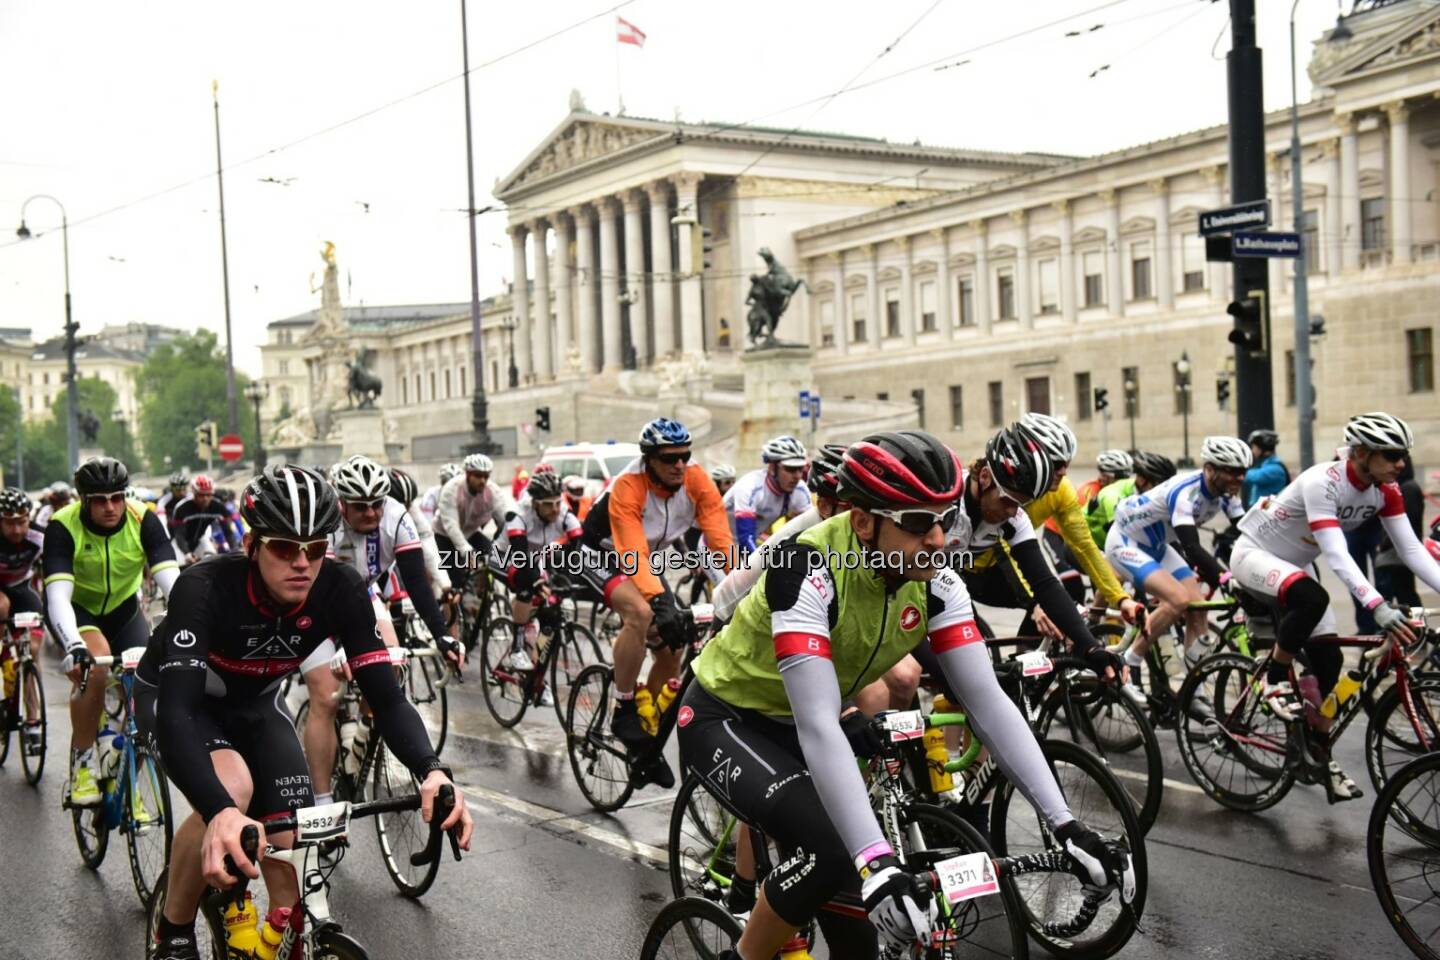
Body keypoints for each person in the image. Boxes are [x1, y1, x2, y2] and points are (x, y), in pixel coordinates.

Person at [681, 431, 1133, 960]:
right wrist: (876, 862)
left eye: (942, 519)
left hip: (805, 716)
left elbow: (986, 701)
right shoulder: (807, 568)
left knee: (864, 943)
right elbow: (818, 725)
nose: (939, 540)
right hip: (727, 718)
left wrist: (1065, 824)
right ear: (864, 521)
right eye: (918, 523)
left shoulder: (934, 578)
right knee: (835, 850)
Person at [134, 465, 472, 960]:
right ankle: (175, 930)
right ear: (252, 546)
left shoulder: (341, 589)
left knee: (290, 843)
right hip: (180, 703)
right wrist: (222, 812)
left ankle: (268, 940)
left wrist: (431, 770)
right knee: (234, 792)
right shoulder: (204, 588)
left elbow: (388, 697)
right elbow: (179, 712)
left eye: (315, 548)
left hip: (255, 706)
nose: (302, 562)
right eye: (283, 547)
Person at [1230, 413, 1440, 802]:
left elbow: (1412, 551)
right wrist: (1376, 605)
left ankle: (1317, 755)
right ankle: (1274, 676)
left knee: (1329, 666)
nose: (1401, 464)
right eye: (1392, 455)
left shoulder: (1385, 489)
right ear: (1361, 453)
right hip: (1255, 554)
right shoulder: (1323, 481)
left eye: (1403, 455)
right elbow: (1337, 554)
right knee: (1313, 598)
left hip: (1296, 564)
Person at [578, 417, 734, 785]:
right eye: (669, 458)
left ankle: (647, 734)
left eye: (685, 456)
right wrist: (661, 600)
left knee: (673, 644)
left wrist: (740, 588)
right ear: (649, 460)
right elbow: (630, 552)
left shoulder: (696, 480)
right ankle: (624, 705)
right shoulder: (628, 487)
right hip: (602, 553)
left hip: (646, 559)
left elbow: (720, 542)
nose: (680, 464)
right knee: (643, 612)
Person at [303, 456, 460, 806]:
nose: (371, 513)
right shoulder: (326, 522)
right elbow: (320, 591)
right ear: (342, 503)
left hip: (364, 595)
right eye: (361, 507)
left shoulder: (395, 515)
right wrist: (343, 644)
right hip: (318, 602)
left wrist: (441, 634)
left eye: (376, 504)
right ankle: (323, 800)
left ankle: (358, 737)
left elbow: (418, 582)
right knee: (327, 695)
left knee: (391, 668)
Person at [42, 457, 179, 807]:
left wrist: (190, 627)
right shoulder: (62, 525)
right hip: (79, 611)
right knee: (97, 669)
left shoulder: (143, 519)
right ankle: (84, 759)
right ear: (83, 500)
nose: (110, 507)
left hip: (124, 610)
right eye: (100, 500)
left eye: (116, 497)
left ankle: (128, 768)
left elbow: (171, 582)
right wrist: (73, 645)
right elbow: (57, 595)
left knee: (145, 681)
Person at [969, 414, 1142, 623]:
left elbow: (1084, 547)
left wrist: (1120, 598)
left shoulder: (1062, 491)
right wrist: (1035, 604)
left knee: (1055, 606)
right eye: (1057, 464)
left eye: (1067, 464)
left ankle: (1030, 655)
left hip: (998, 569)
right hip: (966, 567)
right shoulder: (1007, 486)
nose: (1063, 472)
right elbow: (1003, 549)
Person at [1105, 437, 1250, 684]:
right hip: (1125, 541)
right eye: (1232, 472)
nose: (1240, 478)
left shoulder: (1227, 493)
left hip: (1157, 546)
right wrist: (1225, 577)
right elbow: (1192, 547)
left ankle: (1194, 683)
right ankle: (1132, 658)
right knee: (1178, 600)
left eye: (1243, 472)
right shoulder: (1186, 492)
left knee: (1198, 608)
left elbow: (1246, 530)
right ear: (1210, 469)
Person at [497, 471, 583, 690]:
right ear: (535, 503)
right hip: (506, 555)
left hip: (534, 557)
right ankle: (517, 648)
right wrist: (537, 582)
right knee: (525, 586)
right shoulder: (518, 514)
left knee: (551, 613)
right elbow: (520, 556)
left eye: (557, 502)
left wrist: (569, 580)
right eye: (548, 505)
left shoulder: (563, 512)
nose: (555, 509)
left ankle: (535, 678)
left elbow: (578, 547)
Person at [0, 488, 45, 750]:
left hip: (22, 588)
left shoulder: (39, 537)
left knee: (32, 651)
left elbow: (52, 574)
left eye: (21, 522)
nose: (16, 530)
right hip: (1, 593)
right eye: (9, 523)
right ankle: (4, 651)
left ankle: (32, 720)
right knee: (2, 605)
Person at [432, 453, 513, 592]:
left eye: (486, 476)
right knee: (456, 582)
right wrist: (468, 553)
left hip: (471, 532)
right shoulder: (451, 490)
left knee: (494, 560)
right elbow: (452, 527)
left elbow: (505, 521)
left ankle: (482, 593)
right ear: (468, 475)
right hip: (445, 536)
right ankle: (454, 607)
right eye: (478, 476)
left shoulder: (492, 491)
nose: (482, 480)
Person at [724, 436, 812, 554]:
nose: (797, 476)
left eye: (800, 469)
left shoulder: (800, 490)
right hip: (719, 543)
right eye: (790, 469)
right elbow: (745, 539)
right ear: (772, 468)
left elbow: (812, 530)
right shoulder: (750, 487)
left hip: (752, 539)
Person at [1086, 452, 1176, 549]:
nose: (1161, 490)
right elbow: (1119, 533)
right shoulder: (1113, 495)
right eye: (1159, 484)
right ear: (1141, 480)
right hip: (1086, 545)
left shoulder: (1143, 491)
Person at [170, 475, 238, 563]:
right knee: (182, 564)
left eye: (208, 494)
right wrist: (187, 553)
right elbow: (179, 535)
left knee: (212, 562)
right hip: (179, 543)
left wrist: (235, 550)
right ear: (194, 493)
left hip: (200, 540)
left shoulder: (218, 506)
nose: (205, 498)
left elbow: (228, 532)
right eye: (201, 495)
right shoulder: (182, 508)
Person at [1242, 429, 1290, 507]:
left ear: (1262, 448)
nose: (1252, 450)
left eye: (1254, 447)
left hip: (1269, 514)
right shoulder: (1267, 465)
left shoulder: (1275, 469)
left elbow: (1251, 476)